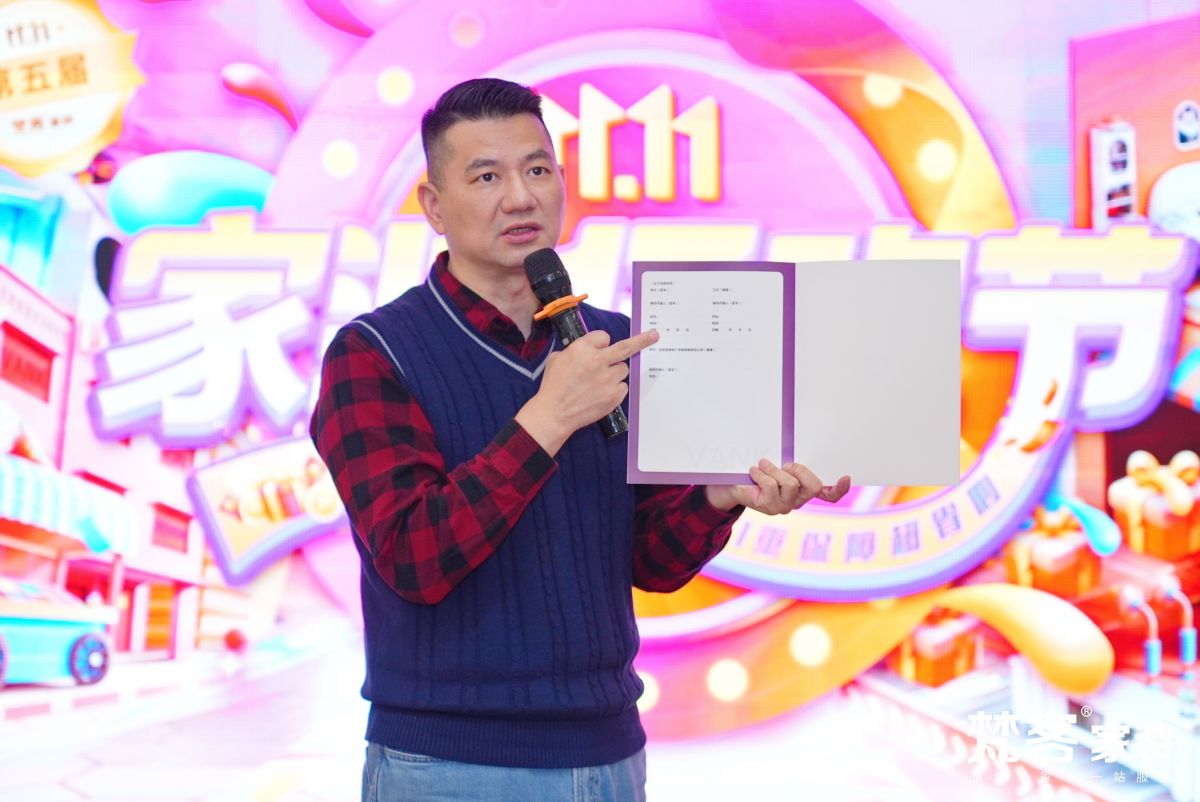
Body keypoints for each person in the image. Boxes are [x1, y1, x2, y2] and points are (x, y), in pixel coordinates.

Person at [309, 77, 851, 802]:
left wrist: (719, 495)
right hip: (449, 764)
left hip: (609, 754)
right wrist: (548, 418)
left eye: (537, 169)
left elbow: (648, 562)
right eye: (487, 177)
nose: (520, 197)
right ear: (433, 206)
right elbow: (414, 557)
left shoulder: (615, 343)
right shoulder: (374, 353)